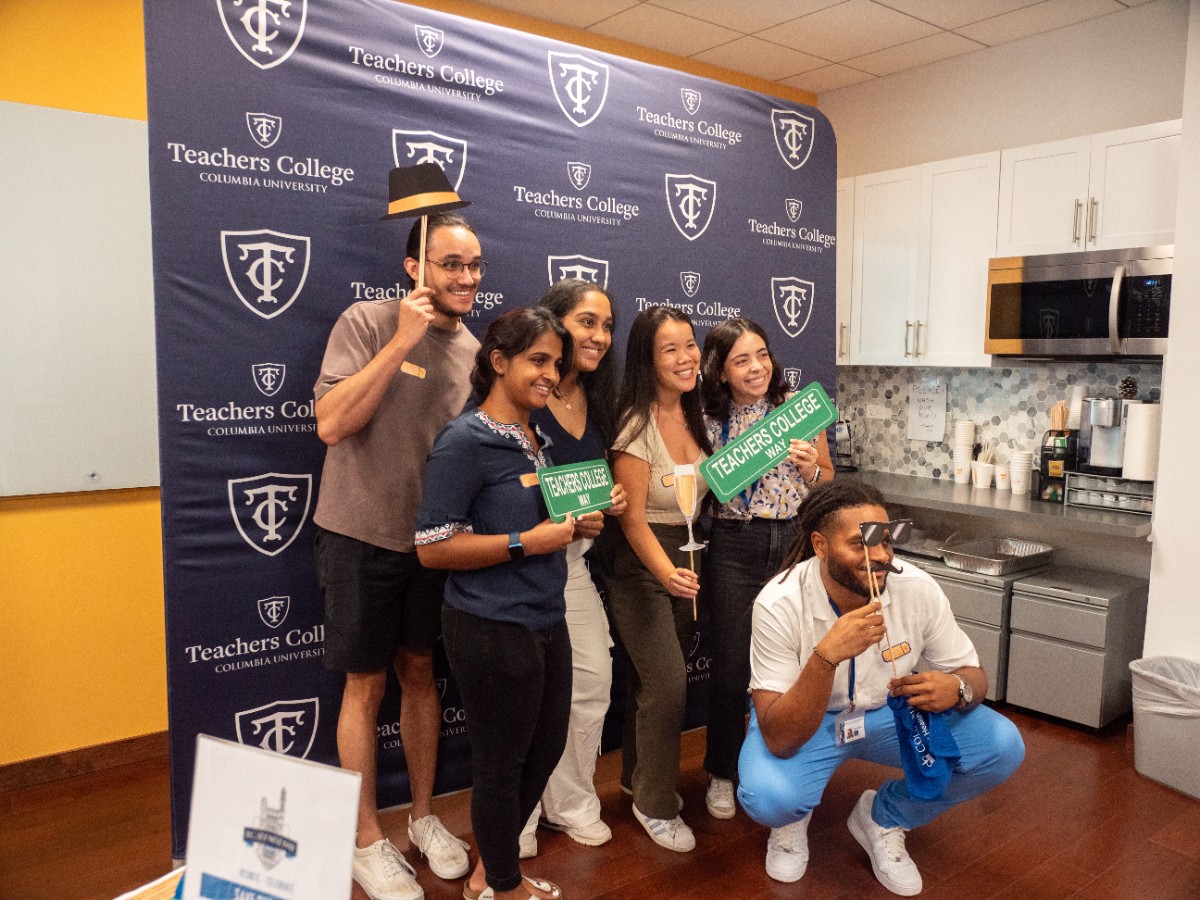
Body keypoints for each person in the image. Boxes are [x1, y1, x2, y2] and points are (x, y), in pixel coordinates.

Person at [736, 480, 1025, 896]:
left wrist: (958, 688)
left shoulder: (916, 588)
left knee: (1001, 746)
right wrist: (826, 657)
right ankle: (790, 821)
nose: (881, 557)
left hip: (891, 715)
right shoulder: (778, 603)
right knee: (771, 797)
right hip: (810, 724)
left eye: (886, 541)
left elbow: (974, 675)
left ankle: (884, 815)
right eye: (860, 544)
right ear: (820, 545)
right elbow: (780, 736)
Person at [416, 307, 614, 900]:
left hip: (545, 619)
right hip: (488, 626)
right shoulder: (463, 441)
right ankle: (501, 886)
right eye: (537, 361)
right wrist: (529, 541)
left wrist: (577, 527)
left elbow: (544, 521)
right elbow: (432, 547)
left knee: (547, 746)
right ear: (498, 363)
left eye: (557, 362)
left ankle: (489, 865)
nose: (551, 373)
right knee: (501, 764)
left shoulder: (539, 438)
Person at [313, 212, 481, 900]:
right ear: (415, 267)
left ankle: (420, 818)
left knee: (419, 675)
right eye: (450, 264)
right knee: (364, 684)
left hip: (431, 546)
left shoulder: (475, 350)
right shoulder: (366, 320)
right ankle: (364, 840)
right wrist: (401, 341)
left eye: (474, 266)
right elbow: (331, 424)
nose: (466, 278)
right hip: (358, 534)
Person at [698, 317, 834, 821]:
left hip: (793, 540)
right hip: (734, 542)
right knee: (733, 667)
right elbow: (698, 485)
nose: (756, 367)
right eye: (741, 360)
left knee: (797, 662)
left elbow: (826, 479)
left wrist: (810, 470)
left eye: (761, 354)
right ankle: (721, 772)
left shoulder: (798, 407)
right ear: (721, 371)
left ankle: (790, 765)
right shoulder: (707, 416)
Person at [518, 280, 626, 855]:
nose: (600, 336)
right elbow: (502, 487)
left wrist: (611, 501)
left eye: (607, 325)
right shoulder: (526, 390)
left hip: (574, 567)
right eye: (587, 322)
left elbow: (595, 487)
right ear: (555, 323)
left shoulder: (602, 401)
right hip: (517, 565)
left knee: (590, 683)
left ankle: (572, 802)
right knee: (529, 696)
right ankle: (520, 818)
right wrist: (561, 514)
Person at [606, 305, 712, 852]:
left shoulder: (700, 418)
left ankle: (633, 778)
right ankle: (655, 804)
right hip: (643, 565)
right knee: (668, 683)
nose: (686, 357)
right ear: (648, 359)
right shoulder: (635, 423)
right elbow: (631, 518)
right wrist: (667, 572)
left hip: (689, 560)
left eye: (690, 345)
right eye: (670, 349)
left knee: (651, 682)